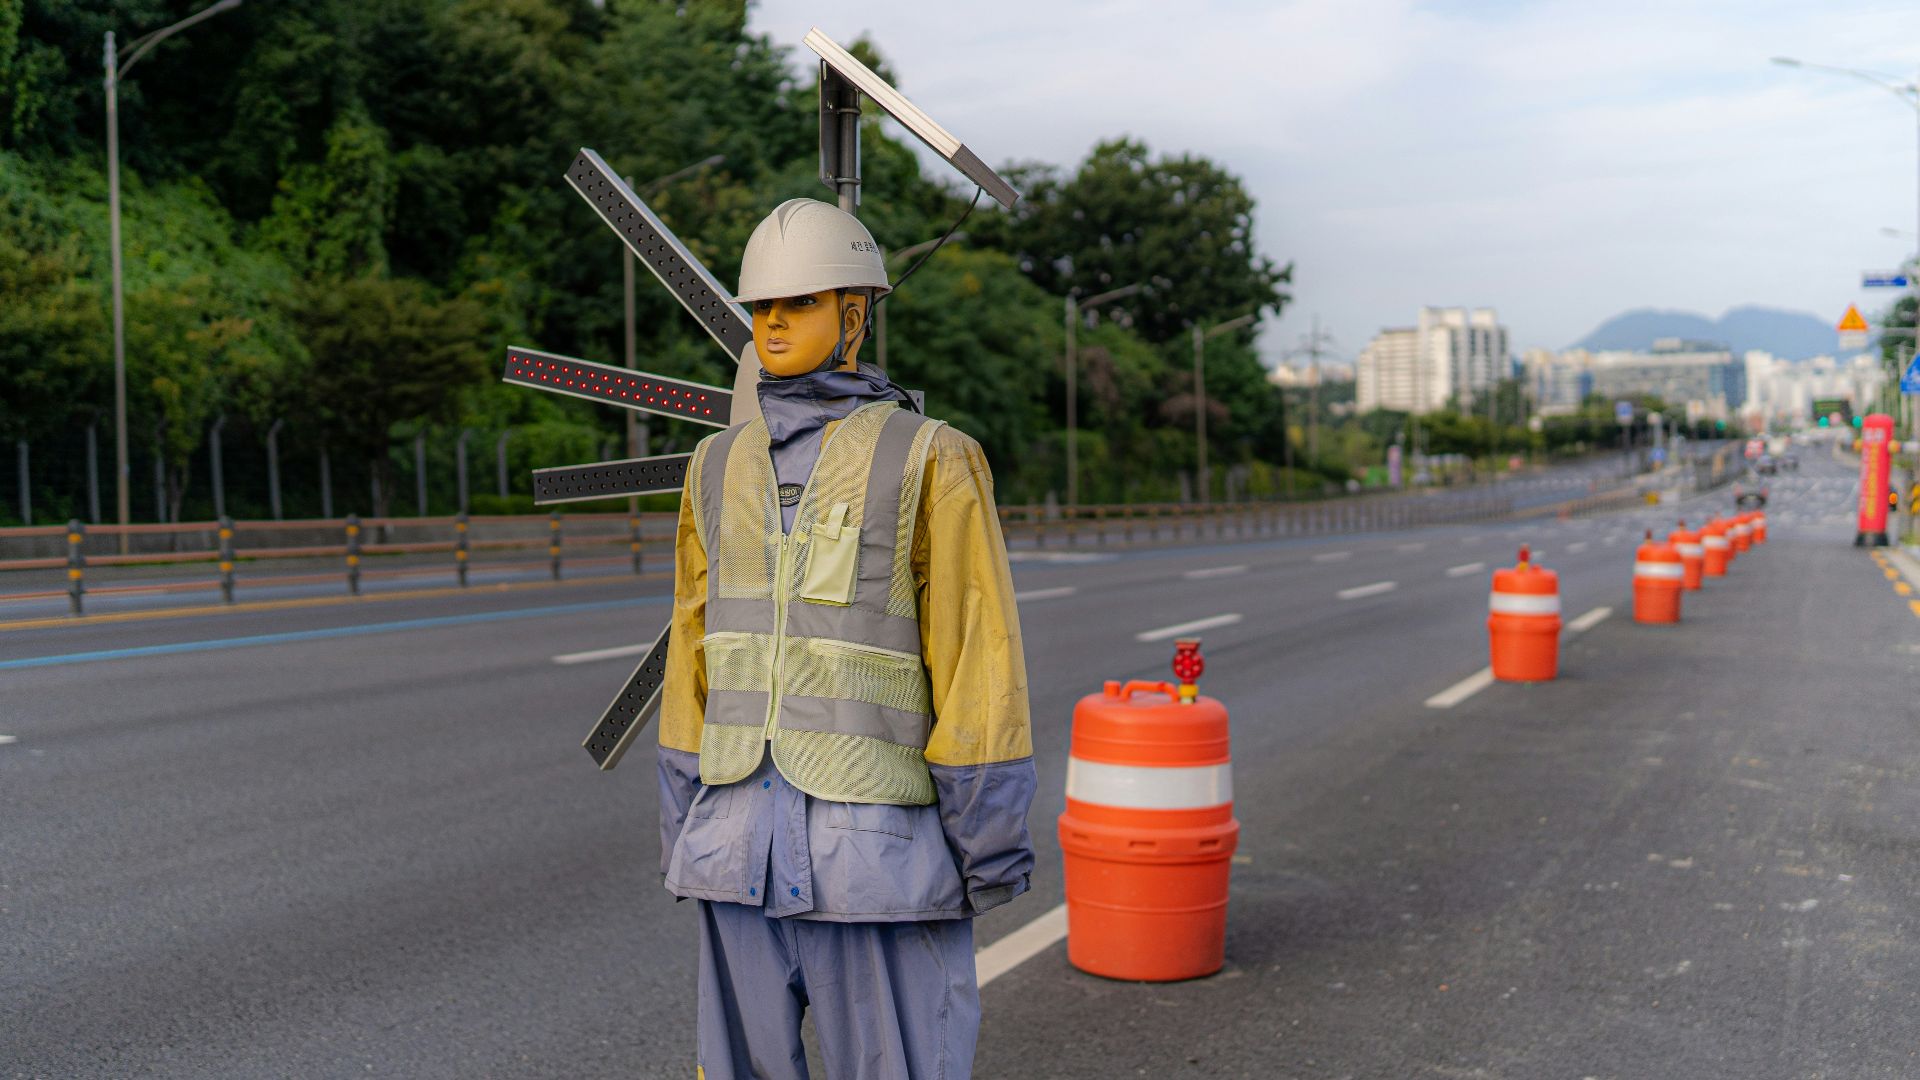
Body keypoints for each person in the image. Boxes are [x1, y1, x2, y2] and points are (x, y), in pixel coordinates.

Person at [654, 198, 1036, 1079]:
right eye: (763, 309)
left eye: (803, 303)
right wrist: (685, 827)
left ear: (854, 315)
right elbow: (692, 659)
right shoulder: (713, 468)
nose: (775, 323)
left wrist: (987, 848)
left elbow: (980, 663)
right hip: (740, 854)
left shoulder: (932, 458)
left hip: (876, 867)